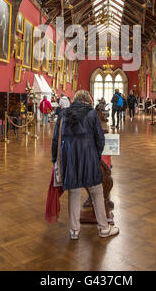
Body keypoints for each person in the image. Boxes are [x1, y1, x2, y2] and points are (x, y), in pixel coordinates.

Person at [51, 90, 119, 240]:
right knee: (96, 191)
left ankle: (74, 230)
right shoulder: (92, 114)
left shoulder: (63, 114)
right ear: (88, 101)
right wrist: (95, 155)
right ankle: (104, 228)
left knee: (74, 192)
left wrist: (54, 160)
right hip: (88, 156)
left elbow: (55, 139)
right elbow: (100, 139)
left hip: (69, 157)